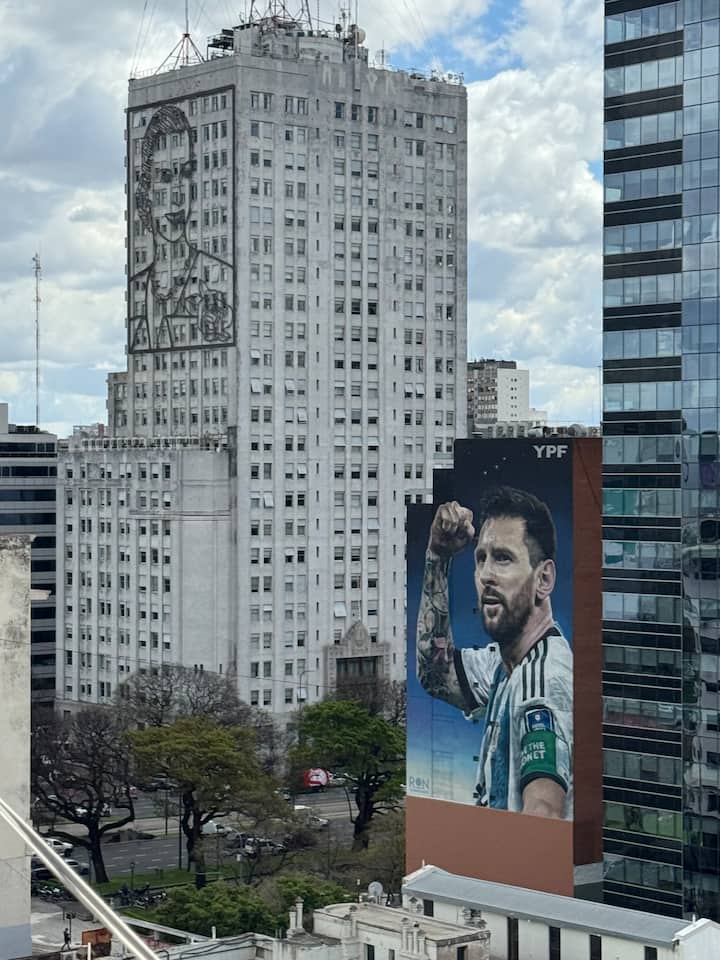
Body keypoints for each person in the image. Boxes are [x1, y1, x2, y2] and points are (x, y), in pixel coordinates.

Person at [416, 486, 573, 819]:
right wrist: (437, 556)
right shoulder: (507, 664)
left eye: (503, 558)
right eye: (481, 558)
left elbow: (544, 807)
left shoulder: (543, 683)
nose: (486, 575)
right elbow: (435, 673)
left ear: (544, 579)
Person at [129, 103, 234, 352]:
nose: (177, 195)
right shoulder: (137, 285)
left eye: (186, 173)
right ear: (145, 192)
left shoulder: (219, 274)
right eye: (165, 177)